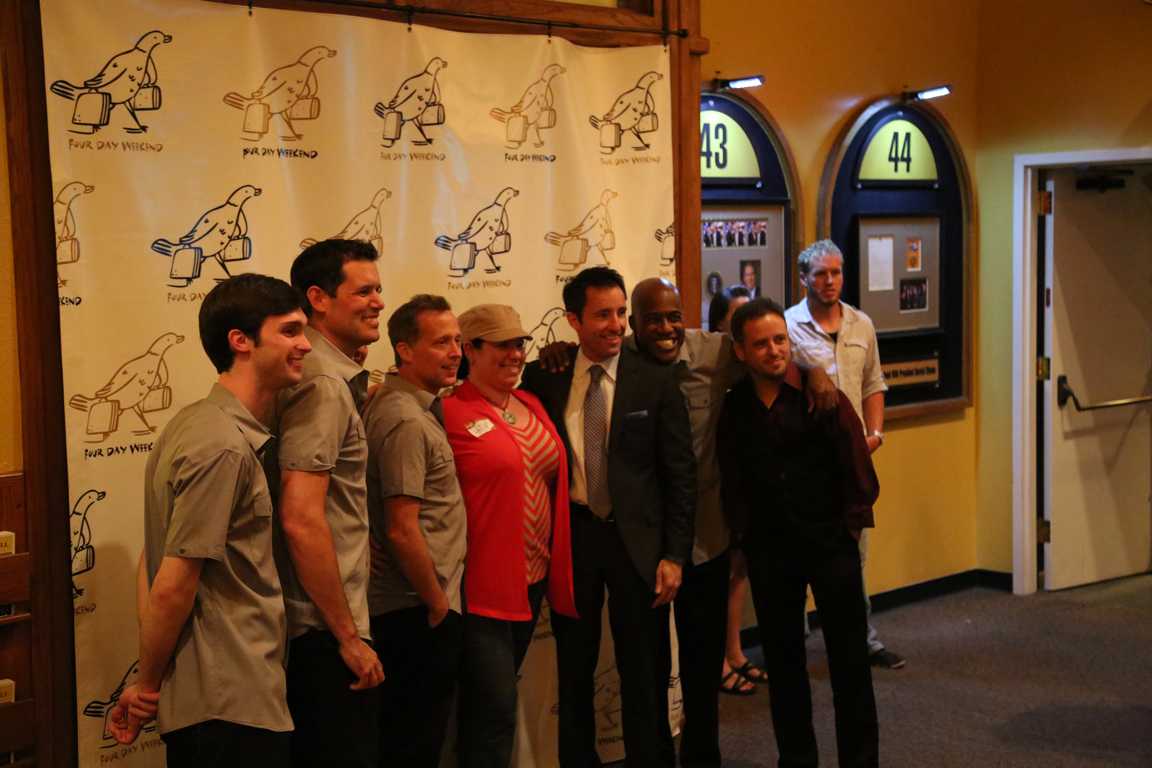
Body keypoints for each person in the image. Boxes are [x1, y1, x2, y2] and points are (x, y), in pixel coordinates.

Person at [109, 274, 311, 766]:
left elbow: (152, 557)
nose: (305, 345)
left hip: (226, 702)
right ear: (240, 341)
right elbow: (171, 583)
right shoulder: (220, 444)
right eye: (289, 331)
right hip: (229, 709)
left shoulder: (194, 423)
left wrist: (151, 682)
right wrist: (147, 686)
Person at [520, 266, 696, 768]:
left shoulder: (655, 378)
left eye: (620, 313)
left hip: (639, 546)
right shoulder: (545, 377)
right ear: (574, 320)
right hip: (573, 539)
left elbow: (680, 476)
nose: (617, 324)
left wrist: (674, 555)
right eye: (602, 315)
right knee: (573, 667)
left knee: (644, 668)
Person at [718, 297, 880, 768]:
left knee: (850, 665)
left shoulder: (822, 396)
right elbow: (733, 482)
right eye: (761, 344)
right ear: (740, 351)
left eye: (780, 340)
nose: (774, 350)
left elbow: (858, 471)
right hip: (771, 555)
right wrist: (744, 542)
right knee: (785, 667)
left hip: (831, 547)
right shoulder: (734, 409)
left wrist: (849, 535)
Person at [442, 303, 578, 768]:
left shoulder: (531, 403)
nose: (516, 353)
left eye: (520, 343)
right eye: (502, 344)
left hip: (533, 579)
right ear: (470, 350)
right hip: (480, 587)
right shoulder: (447, 411)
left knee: (491, 709)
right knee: (494, 711)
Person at [270, 239, 385, 768]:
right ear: (318, 298)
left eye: (378, 289)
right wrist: (348, 637)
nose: (378, 302)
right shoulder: (321, 382)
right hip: (321, 630)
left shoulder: (330, 375)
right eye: (363, 291)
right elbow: (300, 517)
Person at [785, 239, 903, 669]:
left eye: (835, 272)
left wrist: (875, 434)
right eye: (820, 273)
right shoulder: (788, 326)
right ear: (804, 278)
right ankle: (793, 645)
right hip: (805, 462)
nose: (830, 281)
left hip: (852, 460)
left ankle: (861, 640)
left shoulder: (861, 324)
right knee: (799, 556)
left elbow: (873, 383)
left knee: (856, 554)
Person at [365, 294, 467, 768]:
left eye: (458, 341)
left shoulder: (407, 404)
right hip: (413, 612)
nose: (456, 353)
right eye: (441, 342)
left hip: (415, 608)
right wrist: (439, 606)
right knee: (413, 745)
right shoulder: (405, 418)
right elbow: (402, 528)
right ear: (404, 351)